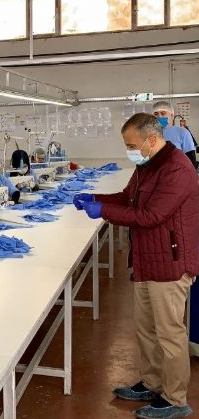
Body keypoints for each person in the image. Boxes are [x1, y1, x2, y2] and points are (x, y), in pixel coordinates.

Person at [74, 113, 198, 419]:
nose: (129, 151)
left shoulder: (177, 168)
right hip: (146, 259)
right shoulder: (147, 165)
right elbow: (128, 198)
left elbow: (152, 216)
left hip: (170, 263)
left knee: (170, 334)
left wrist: (103, 211)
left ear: (151, 140)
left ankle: (175, 399)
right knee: (146, 329)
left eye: (131, 145)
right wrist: (95, 197)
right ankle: (153, 383)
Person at [153, 101, 197, 168]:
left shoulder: (182, 132)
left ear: (172, 115)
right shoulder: (149, 133)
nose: (159, 116)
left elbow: (191, 159)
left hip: (177, 172)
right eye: (156, 114)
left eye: (163, 113)